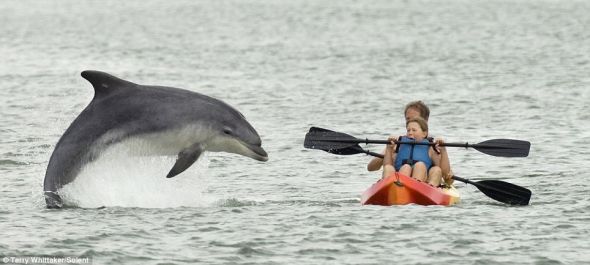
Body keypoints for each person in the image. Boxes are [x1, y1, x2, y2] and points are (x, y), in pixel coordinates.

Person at [367, 100, 453, 186]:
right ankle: (394, 187)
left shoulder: (433, 146)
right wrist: (388, 150)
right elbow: (371, 168)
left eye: (415, 118)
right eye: (408, 119)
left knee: (433, 168)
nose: (410, 122)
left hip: (423, 183)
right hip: (399, 180)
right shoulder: (397, 143)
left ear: (425, 121)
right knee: (399, 167)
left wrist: (448, 174)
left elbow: (448, 178)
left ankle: (421, 187)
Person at [381, 117, 450, 186]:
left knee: (424, 166)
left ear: (424, 134)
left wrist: (443, 150)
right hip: (400, 178)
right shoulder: (399, 145)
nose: (410, 133)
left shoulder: (430, 148)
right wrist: (388, 148)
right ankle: (396, 187)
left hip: (422, 181)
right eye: (408, 130)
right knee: (400, 167)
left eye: (414, 130)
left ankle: (417, 188)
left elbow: (445, 174)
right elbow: (386, 167)